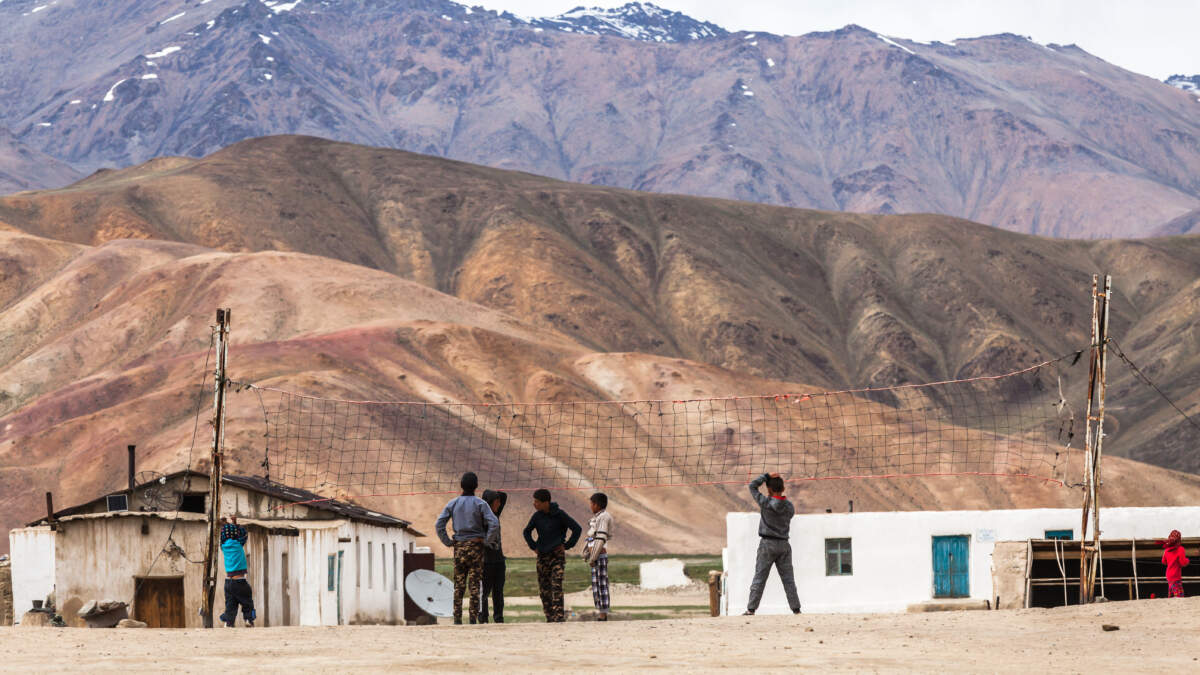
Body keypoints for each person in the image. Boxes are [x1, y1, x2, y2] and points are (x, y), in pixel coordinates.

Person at [435, 472, 500, 624]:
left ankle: (457, 618)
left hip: (459, 547)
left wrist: (448, 542)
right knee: (475, 584)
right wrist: (486, 541)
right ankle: (472, 619)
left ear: (461, 486)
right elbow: (494, 523)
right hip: (476, 547)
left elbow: (439, 524)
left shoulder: (453, 503)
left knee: (459, 584)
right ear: (476, 486)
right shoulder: (480, 504)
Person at [743, 472, 801, 615]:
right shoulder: (789, 507)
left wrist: (766, 476)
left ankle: (751, 609)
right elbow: (787, 511)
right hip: (784, 544)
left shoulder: (766, 503)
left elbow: (752, 486)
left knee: (760, 577)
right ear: (783, 488)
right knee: (788, 579)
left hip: (767, 544)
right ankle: (796, 609)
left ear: (769, 489)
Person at [523, 488, 582, 622]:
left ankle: (559, 616)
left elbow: (577, 529)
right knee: (544, 589)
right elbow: (526, 532)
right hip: (542, 556)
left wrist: (567, 545)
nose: (534, 504)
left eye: (537, 502)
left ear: (546, 502)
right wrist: (533, 546)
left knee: (556, 585)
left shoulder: (560, 515)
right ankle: (549, 616)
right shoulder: (537, 516)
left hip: (557, 556)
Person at [218, 516, 256, 627]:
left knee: (231, 604)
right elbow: (244, 533)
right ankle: (248, 619)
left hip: (228, 583)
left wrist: (227, 524)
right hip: (239, 581)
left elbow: (223, 536)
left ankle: (228, 622)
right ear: (236, 534)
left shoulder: (223, 546)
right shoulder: (239, 544)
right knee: (247, 601)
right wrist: (235, 523)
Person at [583, 492, 615, 621]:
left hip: (599, 556)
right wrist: (586, 553)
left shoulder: (603, 517)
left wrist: (593, 557)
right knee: (596, 584)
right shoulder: (598, 517)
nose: (590, 506)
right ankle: (601, 612)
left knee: (601, 584)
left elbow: (600, 539)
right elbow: (591, 538)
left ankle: (603, 614)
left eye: (591, 504)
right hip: (596, 556)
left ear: (596, 504)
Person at [479, 489, 508, 623]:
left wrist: (494, 495)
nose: (499, 503)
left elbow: (504, 496)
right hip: (485, 561)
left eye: (498, 502)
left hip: (499, 560)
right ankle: (483, 617)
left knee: (498, 592)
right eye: (496, 502)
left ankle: (498, 618)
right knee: (484, 593)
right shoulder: (481, 517)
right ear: (489, 503)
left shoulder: (496, 514)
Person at [1162, 529, 1190, 598]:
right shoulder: (1180, 549)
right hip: (1176, 576)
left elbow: (1163, 561)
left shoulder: (1166, 550)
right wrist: (1188, 560)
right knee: (1179, 596)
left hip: (1168, 575)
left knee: (1171, 594)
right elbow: (1183, 562)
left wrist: (1171, 561)